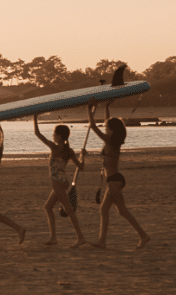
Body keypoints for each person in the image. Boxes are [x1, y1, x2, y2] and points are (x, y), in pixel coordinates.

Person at [88, 102, 150, 249]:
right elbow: (104, 122)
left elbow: (93, 126)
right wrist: (107, 107)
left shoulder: (110, 141)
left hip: (114, 180)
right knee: (104, 210)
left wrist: (88, 110)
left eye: (106, 127)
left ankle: (143, 236)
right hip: (113, 180)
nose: (104, 128)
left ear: (111, 130)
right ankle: (102, 240)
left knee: (122, 210)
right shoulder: (113, 140)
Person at [33, 115, 88, 247]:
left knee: (68, 209)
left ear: (59, 136)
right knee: (47, 207)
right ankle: (53, 238)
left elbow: (37, 133)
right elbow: (81, 167)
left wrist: (34, 117)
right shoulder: (69, 150)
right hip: (62, 181)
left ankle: (80, 238)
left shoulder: (54, 147)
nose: (52, 136)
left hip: (57, 182)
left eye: (54, 134)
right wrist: (83, 156)